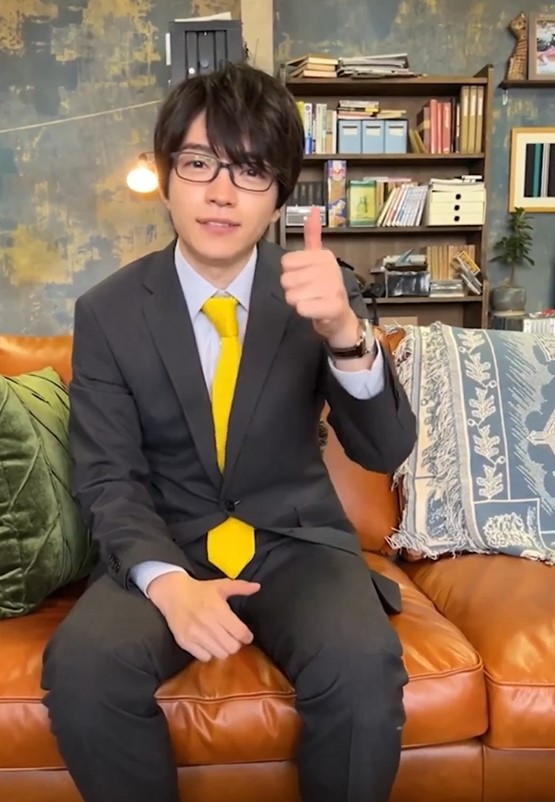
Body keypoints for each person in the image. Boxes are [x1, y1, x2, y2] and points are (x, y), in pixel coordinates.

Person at [41, 61, 416, 802]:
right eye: (198, 163)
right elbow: (108, 476)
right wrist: (167, 582)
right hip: (167, 541)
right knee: (83, 670)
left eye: (249, 169)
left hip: (296, 542)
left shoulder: (319, 289)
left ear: (278, 192)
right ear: (167, 177)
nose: (221, 191)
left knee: (362, 666)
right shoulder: (108, 312)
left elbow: (384, 450)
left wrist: (345, 334)